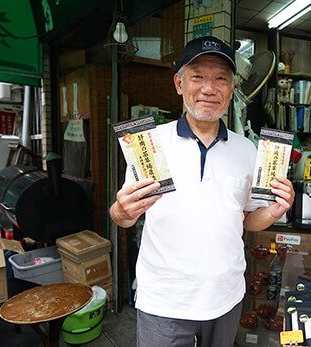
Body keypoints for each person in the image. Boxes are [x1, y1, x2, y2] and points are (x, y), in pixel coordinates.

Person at [109, 36, 295, 347]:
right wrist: (120, 210)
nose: (209, 88)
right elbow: (123, 217)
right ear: (179, 84)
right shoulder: (150, 145)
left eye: (220, 78)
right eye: (197, 76)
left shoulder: (247, 150)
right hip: (164, 300)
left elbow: (249, 220)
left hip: (226, 297)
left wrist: (274, 211)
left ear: (231, 88)